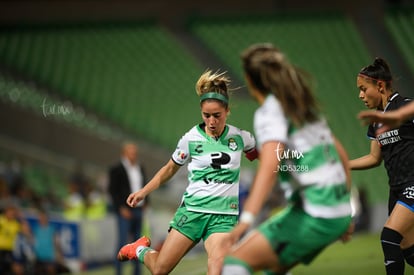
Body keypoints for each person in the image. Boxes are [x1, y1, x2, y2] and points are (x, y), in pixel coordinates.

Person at [221, 43, 353, 275]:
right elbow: (341, 157)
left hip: (316, 213)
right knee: (273, 269)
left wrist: (246, 220)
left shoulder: (270, 112)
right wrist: (345, 211)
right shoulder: (301, 107)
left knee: (232, 263)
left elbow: (269, 165)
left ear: (250, 80)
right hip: (334, 211)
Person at [116, 70, 257, 275]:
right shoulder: (190, 139)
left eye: (216, 116)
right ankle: (138, 249)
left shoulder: (241, 138)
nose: (211, 121)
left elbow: (265, 155)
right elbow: (169, 169)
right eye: (206, 115)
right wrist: (143, 192)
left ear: (227, 111)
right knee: (160, 270)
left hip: (224, 217)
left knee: (217, 268)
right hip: (192, 213)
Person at [349, 57, 414, 275]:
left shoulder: (404, 107)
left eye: (363, 89)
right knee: (409, 252)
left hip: (412, 185)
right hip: (396, 189)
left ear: (379, 85)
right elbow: (374, 158)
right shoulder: (376, 121)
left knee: (389, 237)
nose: (360, 95)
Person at [108, 142, 148, 275]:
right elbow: (113, 191)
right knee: (122, 242)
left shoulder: (139, 167)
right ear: (124, 153)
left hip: (138, 209)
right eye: (131, 152)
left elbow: (144, 185)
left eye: (135, 152)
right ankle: (118, 272)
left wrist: (146, 202)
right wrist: (120, 207)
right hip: (125, 210)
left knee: (139, 244)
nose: (134, 154)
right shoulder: (116, 169)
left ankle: (137, 272)